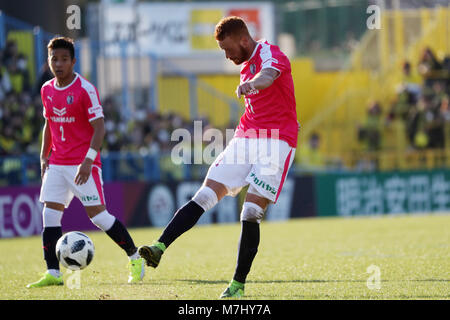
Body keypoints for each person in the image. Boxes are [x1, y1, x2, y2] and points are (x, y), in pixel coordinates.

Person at [138, 16, 298, 298]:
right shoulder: (244, 66)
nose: (226, 55)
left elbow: (269, 76)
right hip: (246, 138)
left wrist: (253, 84)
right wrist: (249, 83)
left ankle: (237, 286)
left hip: (277, 140)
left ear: (244, 40)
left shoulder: (271, 53)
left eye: (228, 49)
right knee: (204, 196)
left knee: (250, 212)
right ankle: (159, 247)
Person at [27, 37, 145, 288]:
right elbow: (49, 123)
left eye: (63, 59)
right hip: (57, 162)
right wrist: (43, 155)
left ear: (73, 62)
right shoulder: (46, 89)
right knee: (49, 214)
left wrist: (88, 161)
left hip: (82, 163)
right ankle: (53, 273)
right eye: (53, 59)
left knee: (99, 217)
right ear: (48, 61)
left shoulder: (85, 89)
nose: (58, 64)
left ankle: (135, 258)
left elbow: (99, 128)